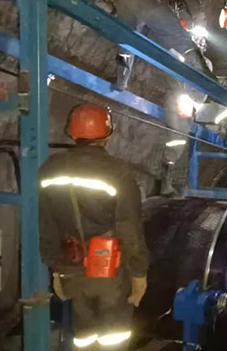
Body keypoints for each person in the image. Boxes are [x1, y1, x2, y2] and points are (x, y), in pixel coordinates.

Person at [39, 103, 149, 350]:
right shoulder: (118, 173)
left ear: (72, 133)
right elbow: (129, 228)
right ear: (107, 135)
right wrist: (139, 272)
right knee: (113, 337)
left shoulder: (49, 170)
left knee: (83, 335)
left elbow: (47, 226)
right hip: (109, 269)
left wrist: (56, 270)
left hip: (72, 266)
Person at [113, 0, 213, 196]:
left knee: (127, 44)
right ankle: (208, 82)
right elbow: (190, 16)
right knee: (182, 41)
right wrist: (196, 29)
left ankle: (121, 81)